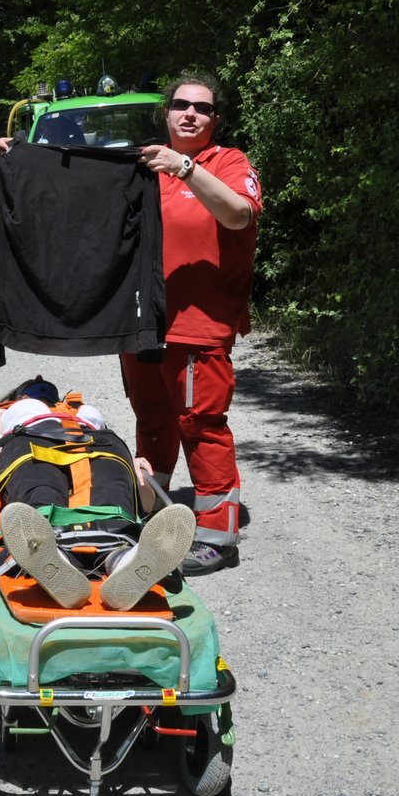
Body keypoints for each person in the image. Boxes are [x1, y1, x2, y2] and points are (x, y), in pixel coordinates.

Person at [121, 72, 262, 574]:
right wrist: (18, 155)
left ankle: (218, 538)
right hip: (143, 322)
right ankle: (151, 512)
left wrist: (185, 168)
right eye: (180, 105)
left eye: (201, 108)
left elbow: (240, 215)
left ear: (214, 120)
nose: (190, 114)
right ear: (166, 112)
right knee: (151, 419)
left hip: (199, 326)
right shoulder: (143, 164)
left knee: (200, 426)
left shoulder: (226, 162)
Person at [0, 377, 195, 610]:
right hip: (32, 439)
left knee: (112, 495)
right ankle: (53, 555)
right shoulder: (3, 411)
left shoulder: (80, 409)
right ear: (19, 397)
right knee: (42, 491)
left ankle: (123, 560)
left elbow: (110, 438)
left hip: (99, 444)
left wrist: (133, 466)